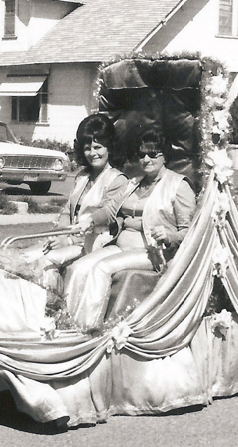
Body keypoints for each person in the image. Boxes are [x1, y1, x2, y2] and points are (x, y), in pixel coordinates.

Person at [64, 129, 197, 330]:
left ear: (165, 156)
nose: (146, 159)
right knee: (78, 267)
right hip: (120, 246)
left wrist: (169, 236)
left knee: (101, 268)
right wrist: (90, 220)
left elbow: (190, 232)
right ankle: (67, 322)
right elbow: (110, 210)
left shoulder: (178, 185)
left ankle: (87, 329)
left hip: (153, 253)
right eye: (141, 154)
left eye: (153, 154)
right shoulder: (134, 183)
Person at [35, 113, 127, 294]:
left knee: (47, 260)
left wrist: (68, 238)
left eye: (98, 147)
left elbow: (108, 214)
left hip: (95, 245)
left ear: (110, 147)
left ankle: (54, 307)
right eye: (87, 148)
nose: (93, 153)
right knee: (27, 257)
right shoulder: (82, 177)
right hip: (71, 241)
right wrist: (59, 237)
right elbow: (66, 212)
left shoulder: (118, 179)